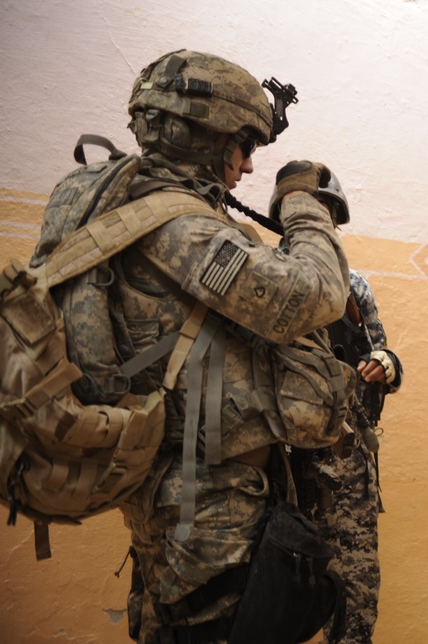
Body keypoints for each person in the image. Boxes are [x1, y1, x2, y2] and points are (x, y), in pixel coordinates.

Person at [34, 49, 352, 643]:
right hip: (207, 506)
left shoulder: (110, 203)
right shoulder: (177, 225)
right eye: (244, 147)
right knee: (214, 628)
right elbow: (312, 295)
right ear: (204, 138)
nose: (248, 169)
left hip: (173, 485)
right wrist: (308, 210)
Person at [295, 263, 403, 644]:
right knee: (271, 596)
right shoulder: (266, 272)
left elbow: (380, 353)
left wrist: (387, 364)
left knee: (354, 602)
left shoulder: (352, 285)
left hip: (348, 464)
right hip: (280, 463)